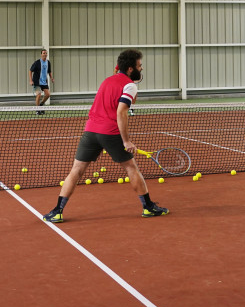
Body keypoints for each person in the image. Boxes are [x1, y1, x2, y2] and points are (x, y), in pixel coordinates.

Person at [42, 49, 167, 222]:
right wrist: (126, 141)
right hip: (110, 132)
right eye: (139, 65)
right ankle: (148, 208)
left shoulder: (107, 81)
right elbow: (121, 113)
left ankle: (57, 211)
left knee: (76, 170)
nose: (142, 68)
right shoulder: (130, 85)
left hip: (90, 131)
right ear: (131, 69)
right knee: (131, 167)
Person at [29, 49, 53, 115]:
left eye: (46, 53)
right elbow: (30, 70)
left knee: (48, 94)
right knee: (39, 95)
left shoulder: (48, 63)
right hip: (37, 82)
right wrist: (31, 80)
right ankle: (37, 110)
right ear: (41, 54)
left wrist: (51, 78)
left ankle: (41, 105)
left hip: (44, 82)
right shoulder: (37, 62)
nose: (45, 54)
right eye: (43, 53)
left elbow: (49, 71)